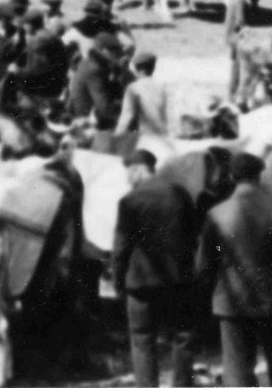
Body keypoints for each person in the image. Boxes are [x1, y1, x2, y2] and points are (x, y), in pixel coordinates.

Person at [197, 151, 272, 387]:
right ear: (259, 175)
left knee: (237, 369)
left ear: (231, 177)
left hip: (232, 302)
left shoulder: (216, 215)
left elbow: (204, 265)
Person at [113, 149, 200, 388]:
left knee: (142, 340)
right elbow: (193, 236)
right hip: (178, 280)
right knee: (182, 337)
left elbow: (121, 248)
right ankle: (182, 385)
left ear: (137, 170)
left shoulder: (129, 201)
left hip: (140, 284)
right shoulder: (179, 194)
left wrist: (118, 282)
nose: (127, 180)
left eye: (128, 174)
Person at [4, 10, 68, 112]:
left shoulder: (37, 41)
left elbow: (33, 71)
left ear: (30, 25)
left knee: (10, 78)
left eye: (25, 25)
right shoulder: (51, 35)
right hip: (58, 82)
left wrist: (17, 70)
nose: (23, 28)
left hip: (46, 89)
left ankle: (17, 108)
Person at [70, 31, 126, 148]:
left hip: (89, 116)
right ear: (102, 50)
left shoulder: (93, 62)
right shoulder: (95, 69)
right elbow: (105, 108)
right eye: (114, 51)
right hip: (85, 122)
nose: (118, 54)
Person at [116, 52, 171, 141]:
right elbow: (164, 115)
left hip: (144, 136)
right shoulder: (161, 87)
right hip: (162, 135)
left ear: (140, 70)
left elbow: (127, 115)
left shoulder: (133, 88)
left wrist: (117, 135)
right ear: (153, 68)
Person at [225, 0, 255, 104]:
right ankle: (234, 96)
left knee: (235, 67)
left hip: (232, 36)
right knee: (240, 68)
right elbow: (240, 21)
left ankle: (231, 94)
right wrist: (248, 35)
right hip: (238, 38)